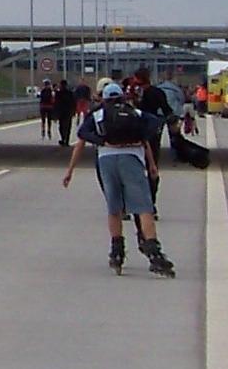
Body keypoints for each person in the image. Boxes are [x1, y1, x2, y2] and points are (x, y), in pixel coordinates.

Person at [65, 78, 174, 276]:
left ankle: (117, 251)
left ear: (103, 98)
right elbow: (155, 124)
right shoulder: (135, 113)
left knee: (114, 207)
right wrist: (141, 143)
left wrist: (102, 141)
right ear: (123, 97)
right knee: (144, 207)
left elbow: (82, 133)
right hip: (132, 158)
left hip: (106, 160)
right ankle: (154, 251)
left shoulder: (98, 114)